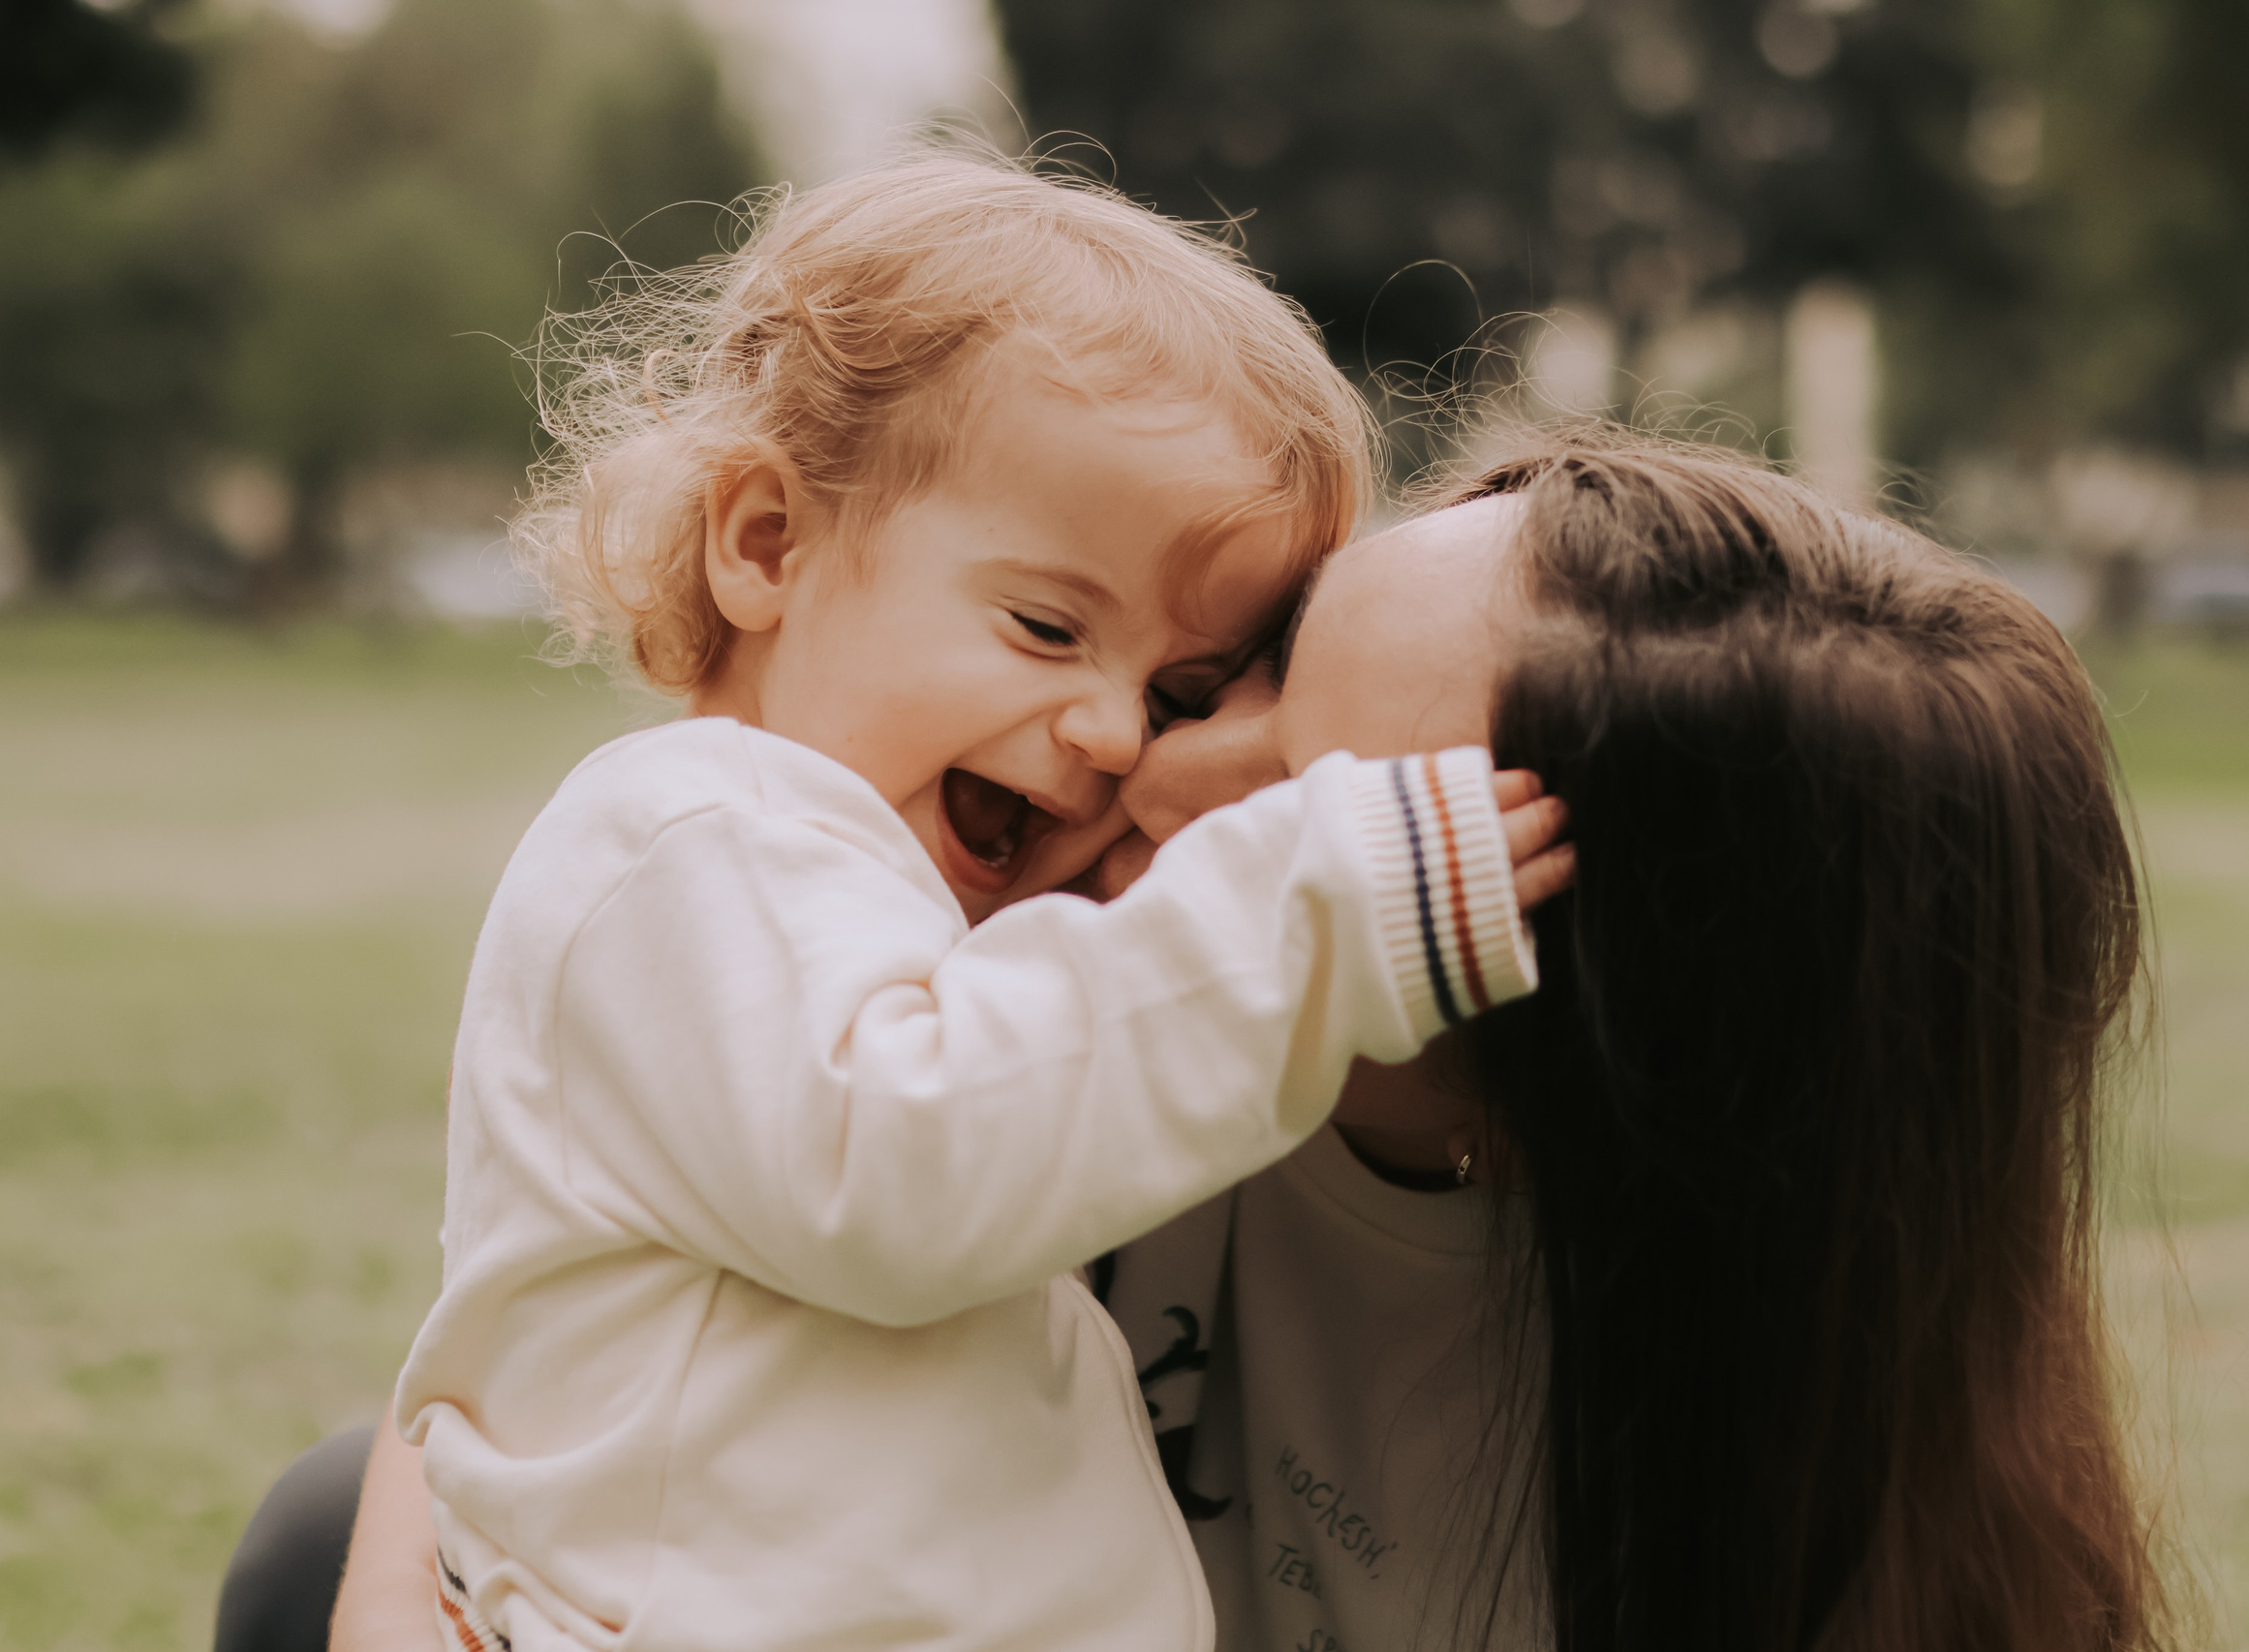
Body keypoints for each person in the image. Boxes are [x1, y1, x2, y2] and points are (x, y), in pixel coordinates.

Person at [231, 432, 2176, 1652]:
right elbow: (582, 1304)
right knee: (328, 1520)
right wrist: (406, 1584)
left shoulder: (1810, 1488)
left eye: (1309, 814)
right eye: (1233, 666)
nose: (1146, 762)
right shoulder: (1059, 990)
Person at [386, 151, 1569, 1652]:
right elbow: (911, 1152)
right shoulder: (689, 839)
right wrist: (1323, 908)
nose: (1118, 737)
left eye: (1179, 684)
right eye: (1046, 625)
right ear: (768, 542)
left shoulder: (864, 893)